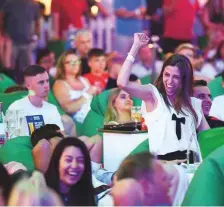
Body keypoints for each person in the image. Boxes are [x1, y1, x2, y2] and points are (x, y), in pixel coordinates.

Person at [117, 33, 209, 162]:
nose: (170, 81)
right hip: (164, 164)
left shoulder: (193, 104)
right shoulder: (153, 95)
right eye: (167, 75)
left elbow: (208, 138)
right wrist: (135, 47)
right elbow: (122, 83)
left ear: (184, 79)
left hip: (192, 164)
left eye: (176, 77)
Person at [8, 65, 64, 137]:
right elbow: (12, 140)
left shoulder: (52, 108)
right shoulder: (16, 107)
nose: (46, 85)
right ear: (28, 85)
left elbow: (60, 136)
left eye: (47, 81)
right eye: (41, 82)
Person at [45, 137, 96, 206]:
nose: (74, 165)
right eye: (68, 160)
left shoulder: (87, 193)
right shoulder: (41, 193)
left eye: (80, 160)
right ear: (57, 162)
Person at [0, 0, 40, 84]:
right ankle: (9, 88)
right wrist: (2, 34)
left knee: (26, 70)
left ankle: (22, 89)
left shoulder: (34, 5)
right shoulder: (9, 3)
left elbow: (37, 22)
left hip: (27, 42)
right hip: (12, 41)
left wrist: (36, 36)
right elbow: (1, 17)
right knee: (9, 69)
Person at [53, 51, 97, 123]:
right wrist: (86, 94)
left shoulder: (84, 80)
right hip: (79, 123)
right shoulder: (60, 83)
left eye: (77, 62)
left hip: (94, 117)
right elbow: (68, 108)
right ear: (62, 65)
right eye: (70, 62)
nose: (75, 65)